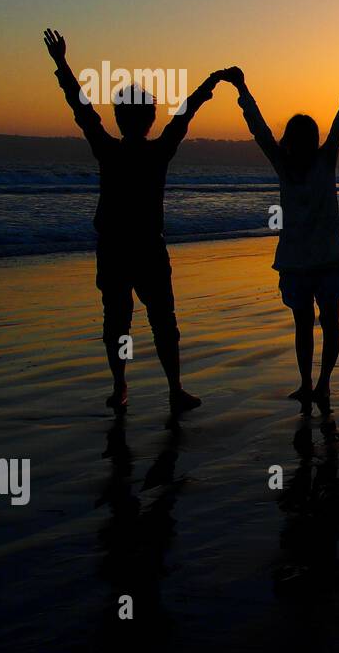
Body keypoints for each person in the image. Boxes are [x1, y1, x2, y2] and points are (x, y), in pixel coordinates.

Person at [43, 28, 222, 412]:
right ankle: (171, 388)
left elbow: (82, 109)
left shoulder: (110, 149)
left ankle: (123, 386)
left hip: (117, 248)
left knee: (120, 322)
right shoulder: (156, 152)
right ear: (149, 119)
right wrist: (212, 81)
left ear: (122, 118)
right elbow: (185, 113)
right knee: (160, 321)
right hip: (143, 247)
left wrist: (62, 64)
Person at [231, 63, 339, 415]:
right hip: (301, 261)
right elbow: (260, 132)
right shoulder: (287, 166)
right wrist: (242, 92)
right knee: (307, 324)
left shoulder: (323, 161)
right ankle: (310, 383)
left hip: (322, 260)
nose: (300, 145)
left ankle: (321, 384)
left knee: (322, 322)